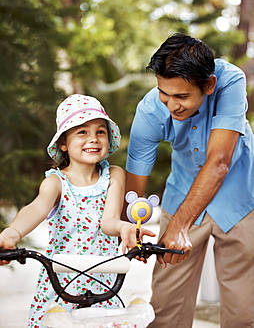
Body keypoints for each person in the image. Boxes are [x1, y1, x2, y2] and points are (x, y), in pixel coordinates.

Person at [125, 33, 254, 328]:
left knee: (242, 313)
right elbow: (135, 184)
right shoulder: (150, 111)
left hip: (240, 198)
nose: (171, 105)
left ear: (208, 85)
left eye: (182, 96)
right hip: (182, 192)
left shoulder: (229, 82)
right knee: (165, 309)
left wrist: (180, 225)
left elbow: (220, 161)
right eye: (163, 93)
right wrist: (129, 228)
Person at [0, 94, 155, 328]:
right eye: (82, 132)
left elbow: (109, 221)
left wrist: (124, 226)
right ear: (63, 143)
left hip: (102, 274)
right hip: (61, 277)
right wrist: (12, 233)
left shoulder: (114, 175)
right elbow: (37, 207)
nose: (93, 139)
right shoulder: (56, 182)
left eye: (100, 132)